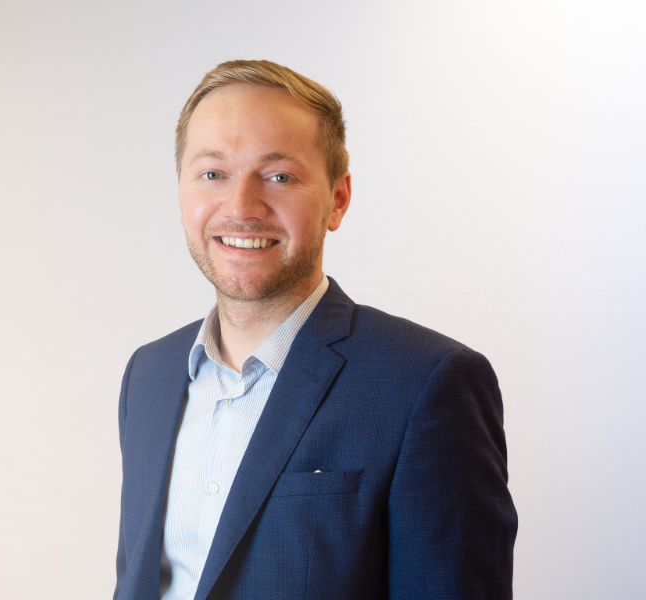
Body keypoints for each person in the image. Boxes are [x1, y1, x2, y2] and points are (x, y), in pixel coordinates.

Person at [113, 60, 517, 600]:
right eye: (213, 174)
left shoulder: (427, 384)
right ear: (182, 193)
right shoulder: (149, 374)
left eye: (279, 176)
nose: (241, 207)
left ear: (338, 198)